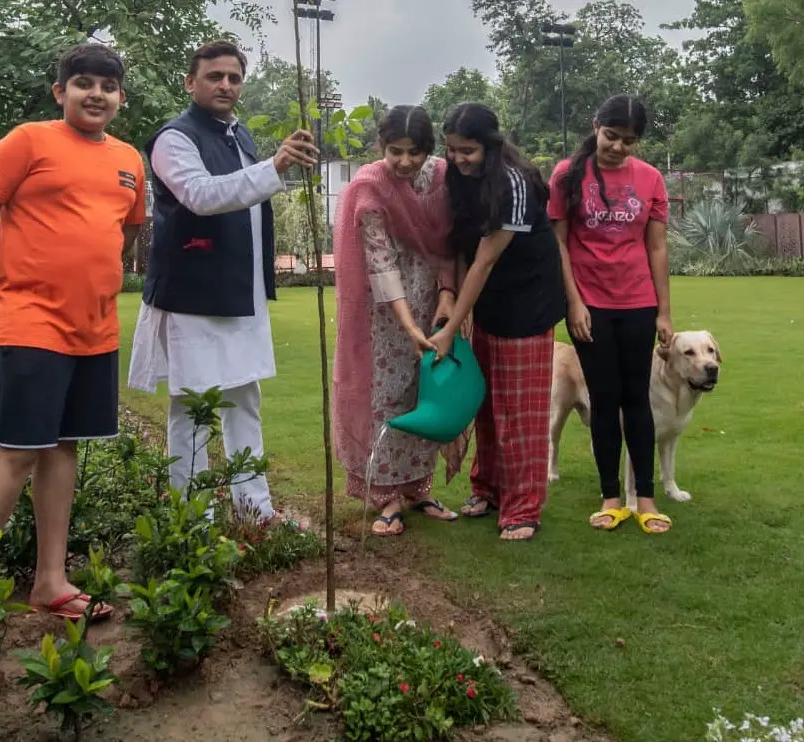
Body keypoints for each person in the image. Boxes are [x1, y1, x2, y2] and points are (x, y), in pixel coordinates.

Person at [0, 42, 146, 666]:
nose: (95, 95)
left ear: (120, 98)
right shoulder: (27, 141)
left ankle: (49, 582)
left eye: (107, 87)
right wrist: (3, 283)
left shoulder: (129, 160)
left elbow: (127, 230)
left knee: (63, 446)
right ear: (60, 92)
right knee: (18, 449)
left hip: (95, 329)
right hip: (31, 323)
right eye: (82, 83)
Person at [127, 41, 317, 524]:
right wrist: (273, 166)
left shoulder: (239, 135)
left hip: (240, 290)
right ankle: (192, 521)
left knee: (243, 400)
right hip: (193, 293)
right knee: (193, 406)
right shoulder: (174, 138)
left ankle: (254, 508)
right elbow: (201, 196)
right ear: (191, 82)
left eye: (233, 77)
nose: (225, 85)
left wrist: (269, 163)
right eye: (214, 76)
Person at [428, 103, 566, 542]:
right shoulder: (460, 177)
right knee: (484, 402)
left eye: (467, 150)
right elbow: (462, 246)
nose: (458, 159)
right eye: (451, 150)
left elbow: (486, 259)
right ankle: (487, 488)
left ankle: (524, 506)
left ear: (490, 145)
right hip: (487, 298)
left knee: (520, 411)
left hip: (528, 300)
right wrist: (449, 299)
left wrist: (451, 330)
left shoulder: (515, 183)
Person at [332, 104, 465, 537]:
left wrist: (447, 295)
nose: (405, 161)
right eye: (395, 151)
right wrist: (408, 328)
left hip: (436, 300)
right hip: (385, 312)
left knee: (428, 389)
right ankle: (386, 495)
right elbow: (381, 264)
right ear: (380, 147)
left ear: (429, 150)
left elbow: (451, 243)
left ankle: (417, 489)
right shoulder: (370, 187)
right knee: (388, 394)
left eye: (415, 152)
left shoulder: (442, 178)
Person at [547, 94, 674, 535]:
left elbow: (656, 247)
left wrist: (664, 313)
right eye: (611, 136)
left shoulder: (651, 179)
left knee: (636, 399)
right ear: (595, 125)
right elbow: (559, 243)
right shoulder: (567, 175)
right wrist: (574, 302)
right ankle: (610, 497)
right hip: (590, 306)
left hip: (638, 304)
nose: (618, 147)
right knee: (604, 401)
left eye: (629, 141)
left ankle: (646, 498)